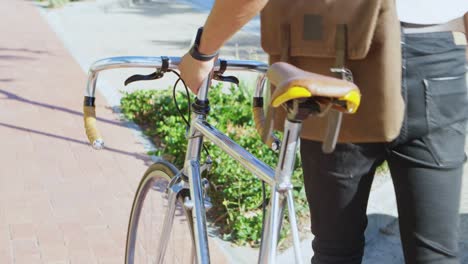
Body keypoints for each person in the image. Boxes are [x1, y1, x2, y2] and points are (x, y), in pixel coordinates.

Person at [178, 0, 468, 263]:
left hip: (343, 60)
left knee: (335, 251)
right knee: (437, 255)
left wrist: (203, 51)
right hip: (441, 55)